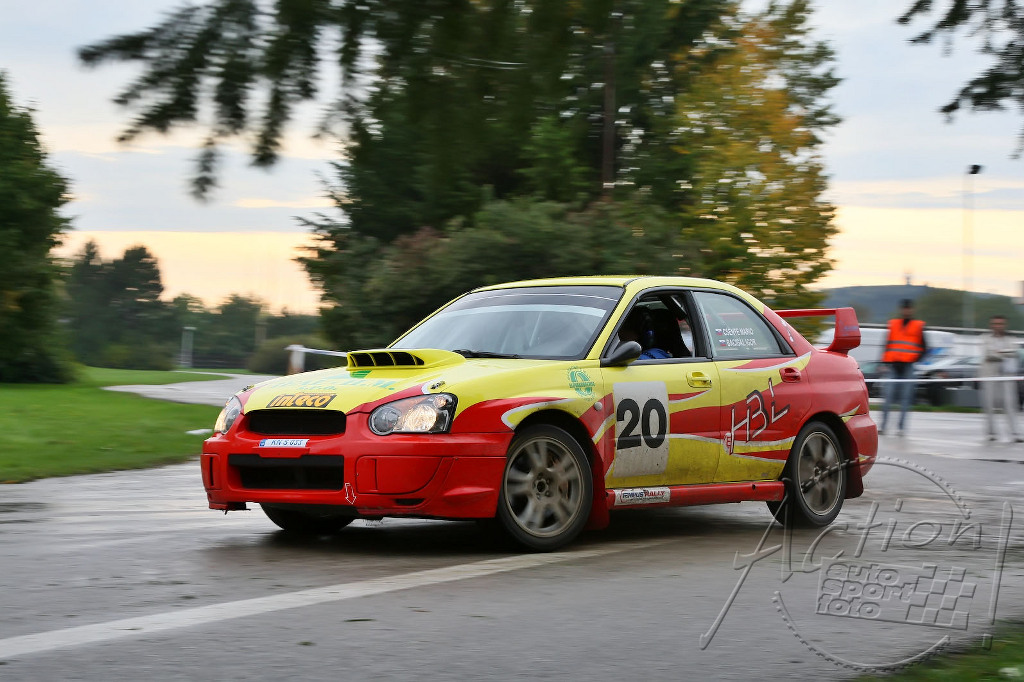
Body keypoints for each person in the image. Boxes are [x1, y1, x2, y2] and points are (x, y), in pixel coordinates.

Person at [880, 299, 927, 435]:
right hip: (894, 366)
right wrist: (884, 363)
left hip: (908, 366)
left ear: (912, 310)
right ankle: (883, 426)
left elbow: (924, 348)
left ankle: (901, 428)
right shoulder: (893, 324)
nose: (906, 310)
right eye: (904, 308)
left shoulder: (918, 326)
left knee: (906, 398)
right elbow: (887, 345)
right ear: (901, 309)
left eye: (908, 308)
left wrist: (914, 360)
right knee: (888, 396)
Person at [979, 314, 1021, 442]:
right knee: (989, 405)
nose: (998, 326)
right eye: (995, 324)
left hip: (1007, 375)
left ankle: (1015, 433)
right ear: (991, 325)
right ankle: (991, 433)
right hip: (989, 375)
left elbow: (1015, 352)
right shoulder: (985, 338)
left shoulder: (1011, 338)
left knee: (1010, 404)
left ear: (1005, 325)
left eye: (1000, 324)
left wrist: (998, 353)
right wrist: (1004, 353)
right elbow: (988, 354)